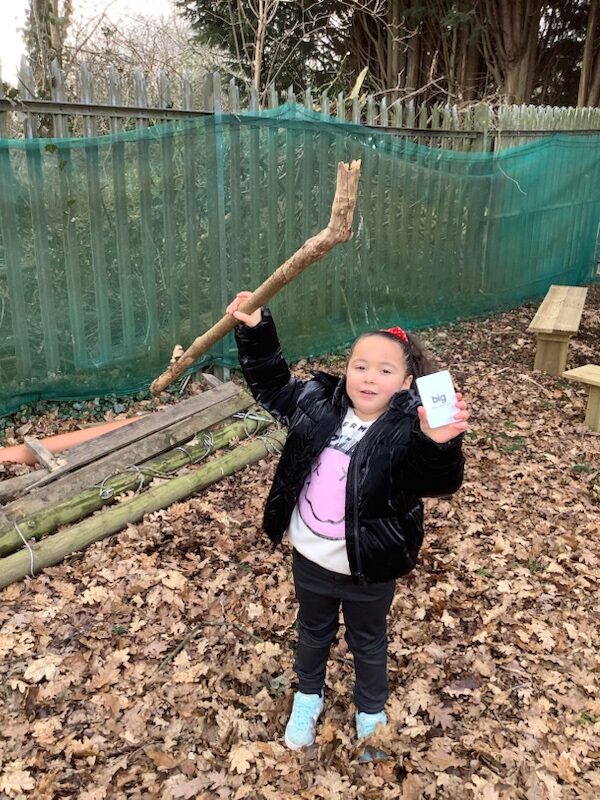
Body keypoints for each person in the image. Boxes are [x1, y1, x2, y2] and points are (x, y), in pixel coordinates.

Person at [226, 291, 469, 753]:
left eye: (385, 370)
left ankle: (370, 712)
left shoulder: (408, 429)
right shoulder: (318, 402)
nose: (370, 377)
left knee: (368, 641)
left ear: (406, 382)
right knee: (312, 631)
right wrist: (256, 329)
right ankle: (308, 696)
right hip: (311, 558)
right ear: (347, 369)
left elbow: (437, 482)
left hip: (370, 566)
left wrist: (438, 444)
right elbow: (273, 385)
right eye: (360, 365)